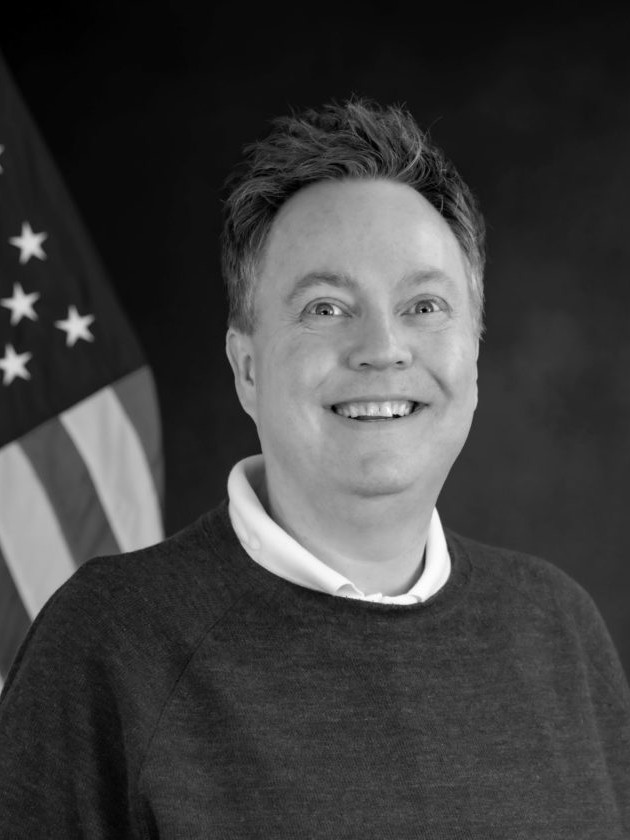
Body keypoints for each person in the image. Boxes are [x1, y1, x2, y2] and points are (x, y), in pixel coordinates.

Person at [0, 98, 628, 839]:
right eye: (327, 309)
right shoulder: (110, 645)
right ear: (246, 369)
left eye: (425, 305)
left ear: (475, 350)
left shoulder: (559, 631)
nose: (383, 348)